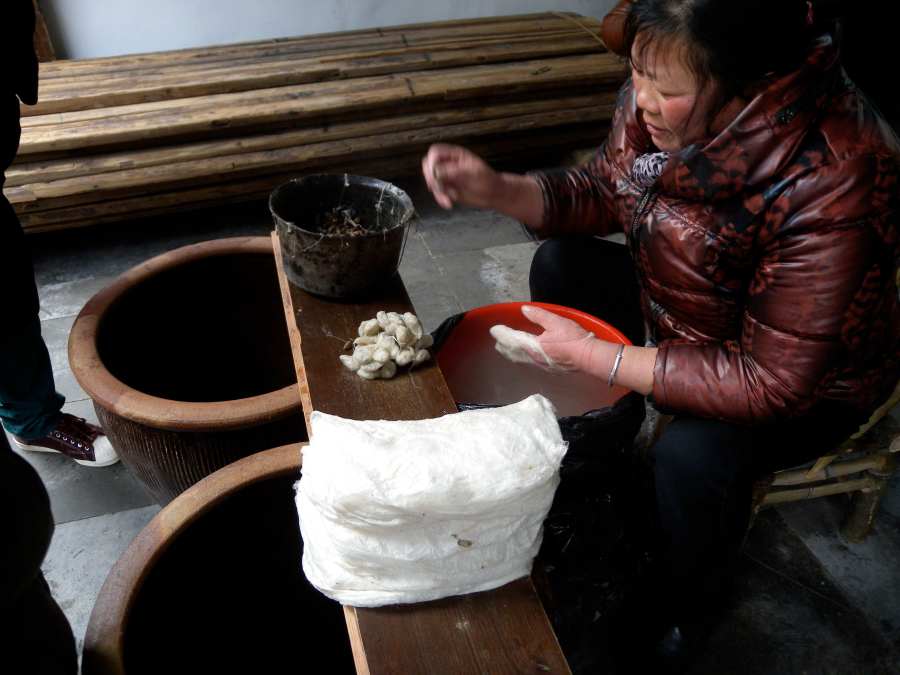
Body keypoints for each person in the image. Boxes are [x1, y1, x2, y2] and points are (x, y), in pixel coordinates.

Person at [421, 0, 899, 670]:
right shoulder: (663, 85)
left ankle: (693, 604)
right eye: (637, 75)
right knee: (560, 261)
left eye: (665, 90)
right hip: (693, 314)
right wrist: (498, 188)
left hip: (811, 383)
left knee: (693, 456)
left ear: (748, 86)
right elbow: (605, 189)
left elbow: (774, 380)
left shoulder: (837, 170)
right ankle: (607, 448)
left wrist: (605, 358)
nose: (641, 99)